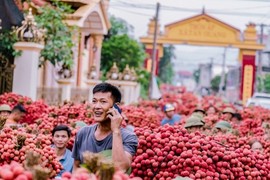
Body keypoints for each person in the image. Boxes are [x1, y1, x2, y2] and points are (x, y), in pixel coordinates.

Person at [72, 83, 138, 172]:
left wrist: (116, 130)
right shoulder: (83, 133)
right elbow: (76, 167)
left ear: (116, 106)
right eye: (94, 101)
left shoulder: (128, 137)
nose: (96, 106)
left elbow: (121, 167)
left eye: (103, 102)